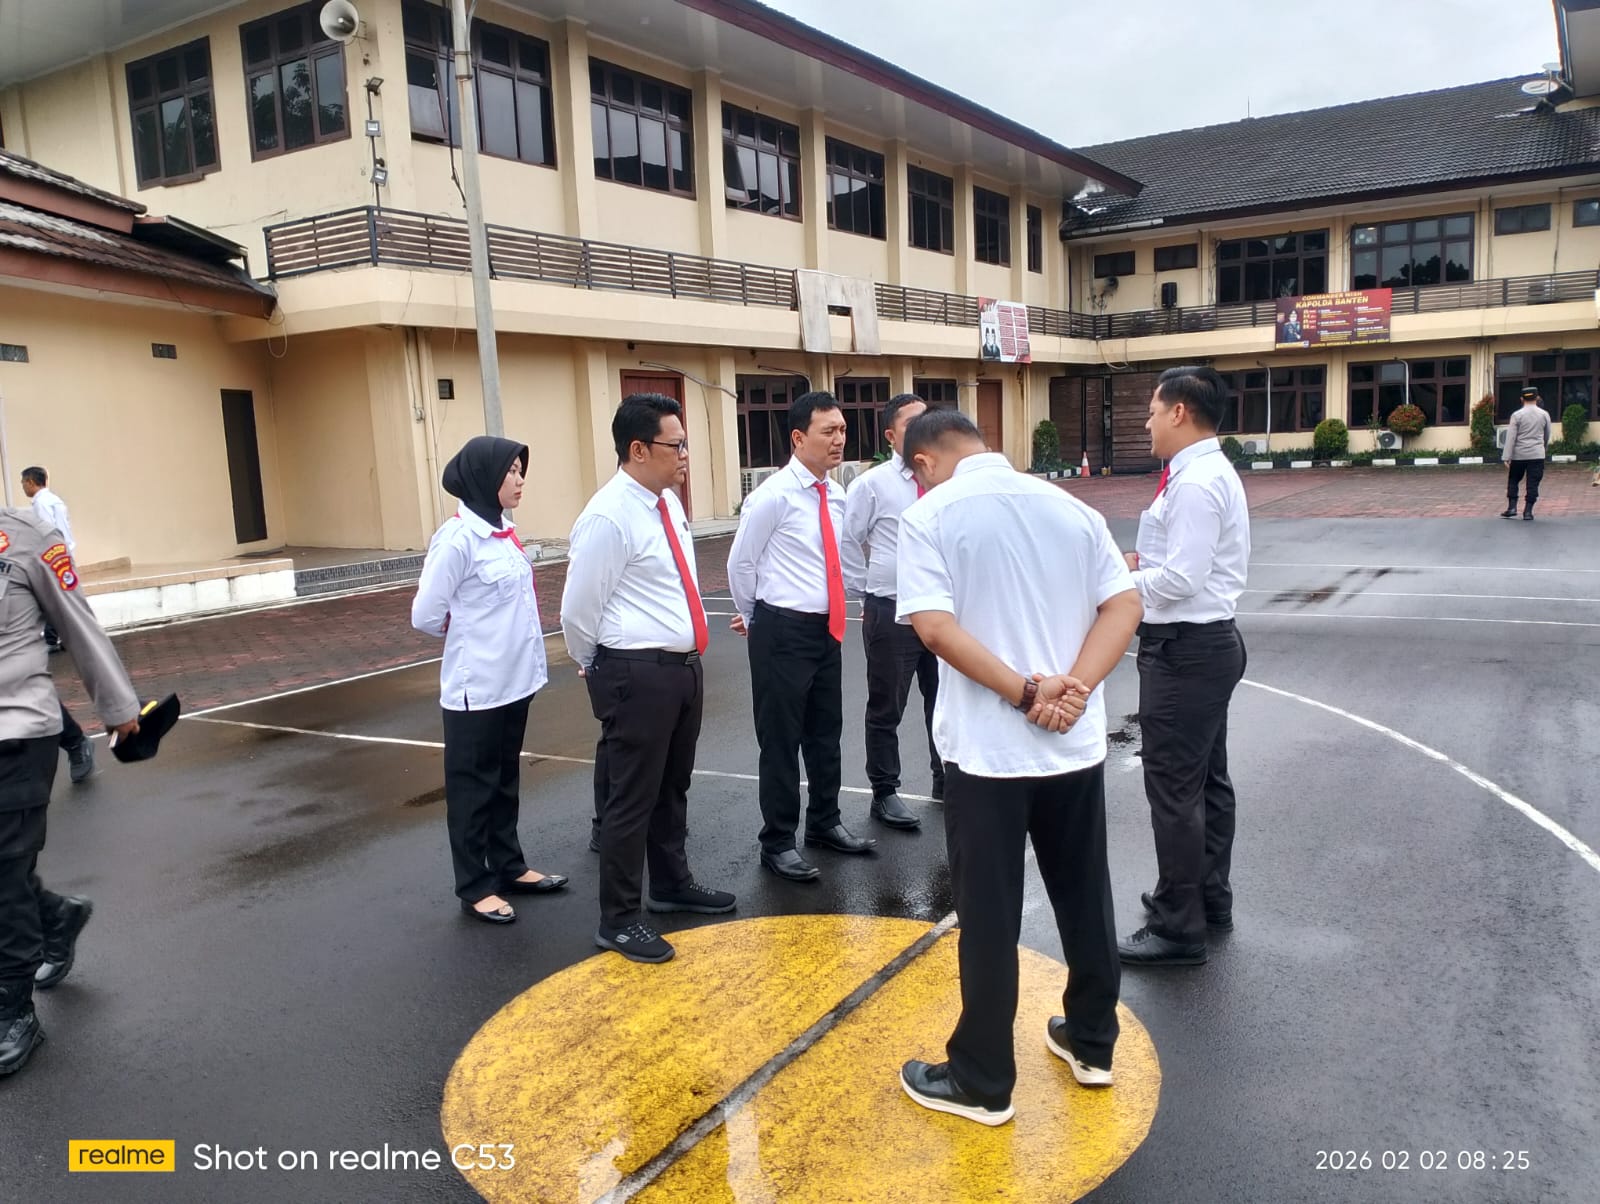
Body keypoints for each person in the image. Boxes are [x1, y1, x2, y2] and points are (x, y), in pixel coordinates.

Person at [893, 409, 1142, 1126]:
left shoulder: (930, 515)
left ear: (923, 463)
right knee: (1085, 895)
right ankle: (1092, 1042)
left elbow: (934, 627)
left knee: (989, 915)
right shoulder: (1070, 507)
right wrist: (1074, 689)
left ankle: (982, 1079)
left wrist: (1028, 694)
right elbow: (1124, 604)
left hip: (989, 753)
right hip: (1072, 744)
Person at [562, 394, 736, 964]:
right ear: (638, 449)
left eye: (685, 444)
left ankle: (671, 884)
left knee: (671, 787)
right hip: (636, 672)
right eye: (675, 445)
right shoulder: (609, 516)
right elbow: (578, 609)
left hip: (680, 669)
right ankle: (618, 918)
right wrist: (595, 665)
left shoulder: (666, 505)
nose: (685, 455)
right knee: (631, 799)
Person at [0, 506, 141, 1077]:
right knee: (5, 873)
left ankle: (13, 1010)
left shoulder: (26, 537)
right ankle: (56, 918)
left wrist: (119, 708)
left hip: (16, 730)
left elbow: (76, 622)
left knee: (2, 871)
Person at [1119, 366, 1251, 968]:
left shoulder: (1196, 482)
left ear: (1179, 412)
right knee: (1205, 781)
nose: (1147, 423)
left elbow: (1181, 579)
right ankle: (1206, 898)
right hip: (1203, 645)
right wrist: (1142, 564)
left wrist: (1119, 578)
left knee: (1174, 790)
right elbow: (1177, 562)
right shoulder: (1199, 473)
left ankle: (1178, 927)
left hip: (1185, 649)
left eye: (1152, 411)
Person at [411, 436, 566, 925]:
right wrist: (470, 634)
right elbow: (425, 614)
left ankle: (508, 865)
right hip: (476, 686)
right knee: (472, 789)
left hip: (514, 681)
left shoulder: (503, 531)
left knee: (503, 780)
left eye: (521, 470)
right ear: (484, 477)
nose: (520, 480)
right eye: (510, 472)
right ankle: (474, 885)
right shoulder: (458, 540)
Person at [729, 391, 875, 882]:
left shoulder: (837, 495)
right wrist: (755, 617)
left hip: (826, 628)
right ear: (798, 438)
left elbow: (842, 561)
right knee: (780, 739)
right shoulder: (772, 496)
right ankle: (777, 842)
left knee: (825, 733)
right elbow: (741, 564)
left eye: (842, 429)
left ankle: (825, 822)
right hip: (782, 630)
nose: (840, 439)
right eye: (828, 431)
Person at [840, 394, 939, 829]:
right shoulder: (873, 485)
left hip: (941, 610)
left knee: (945, 700)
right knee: (886, 706)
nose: (923, 429)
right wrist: (866, 592)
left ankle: (945, 776)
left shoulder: (944, 476)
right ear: (890, 435)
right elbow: (848, 540)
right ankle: (885, 791)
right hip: (892, 611)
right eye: (911, 423)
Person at [21, 468, 73, 654]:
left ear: (31, 482)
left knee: (49, 599)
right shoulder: (53, 500)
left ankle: (52, 639)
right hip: (63, 554)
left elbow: (45, 533)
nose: (23, 487)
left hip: (52, 557)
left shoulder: (41, 504)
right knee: (60, 598)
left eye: (23, 482)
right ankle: (66, 638)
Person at [1501, 387, 1552, 521]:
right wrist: (1543, 448)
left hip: (1519, 455)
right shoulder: (1544, 414)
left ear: (1521, 399)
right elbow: (1547, 434)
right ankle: (1528, 511)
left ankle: (1512, 507)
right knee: (1533, 483)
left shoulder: (1517, 415)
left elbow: (1511, 437)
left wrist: (1507, 456)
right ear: (1537, 398)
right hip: (1537, 454)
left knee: (1514, 479)